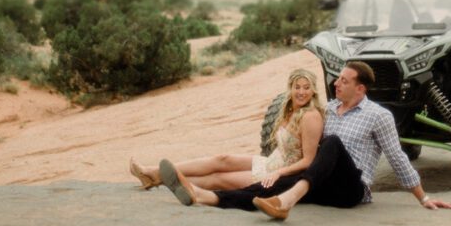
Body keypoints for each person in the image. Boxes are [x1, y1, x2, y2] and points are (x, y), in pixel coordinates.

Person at [159, 60, 451, 220]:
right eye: (337, 79)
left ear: (361, 88)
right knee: (270, 185)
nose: (336, 83)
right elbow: (300, 128)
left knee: (332, 145)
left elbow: (397, 156)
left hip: (352, 190)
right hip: (320, 183)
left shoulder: (377, 116)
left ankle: (287, 201)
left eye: (344, 80)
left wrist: (423, 197)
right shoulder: (327, 108)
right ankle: (206, 197)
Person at [130, 68, 324, 193]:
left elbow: (308, 161)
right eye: (297, 87)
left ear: (313, 90)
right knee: (221, 159)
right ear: (290, 88)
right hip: (270, 163)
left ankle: (160, 180)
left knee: (217, 180)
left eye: (306, 87)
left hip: (282, 177)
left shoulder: (311, 117)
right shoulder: (291, 110)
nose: (301, 92)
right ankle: (153, 172)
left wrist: (279, 173)